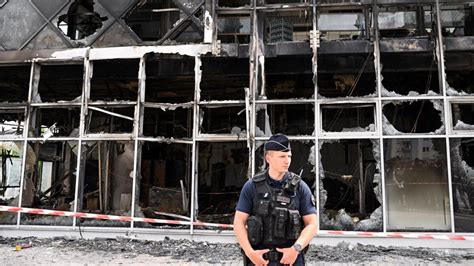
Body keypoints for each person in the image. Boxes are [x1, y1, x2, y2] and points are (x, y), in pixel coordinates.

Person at [234, 134, 317, 266]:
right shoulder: (252, 186)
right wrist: (250, 253)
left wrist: (296, 249)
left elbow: (312, 224)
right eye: (282, 156)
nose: (287, 161)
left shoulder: (300, 187)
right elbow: (239, 222)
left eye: (289, 156)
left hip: (290, 260)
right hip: (260, 260)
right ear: (268, 158)